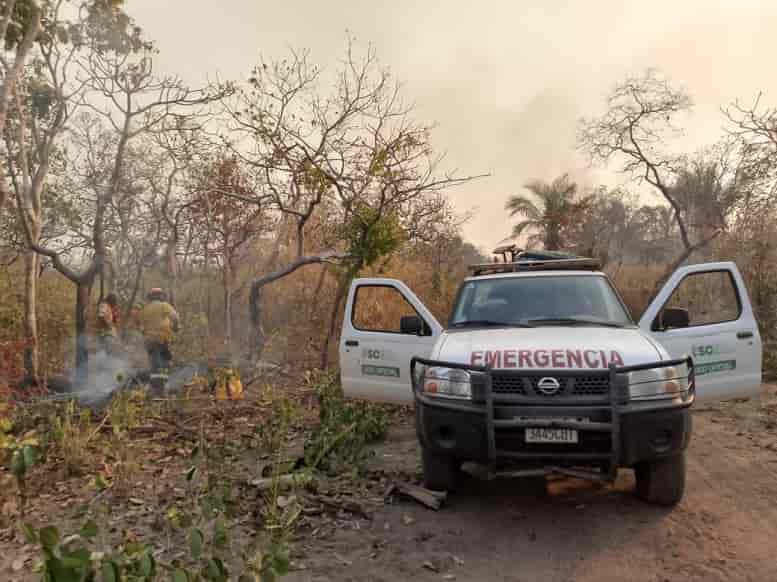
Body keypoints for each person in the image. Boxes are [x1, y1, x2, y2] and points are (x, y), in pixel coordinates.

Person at [139, 288, 180, 373]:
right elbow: (175, 317)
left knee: (155, 365)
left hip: (148, 341)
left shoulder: (145, 309)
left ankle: (156, 382)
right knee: (163, 365)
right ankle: (161, 383)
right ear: (160, 296)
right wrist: (175, 327)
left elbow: (141, 328)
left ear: (150, 297)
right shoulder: (164, 305)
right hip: (161, 340)